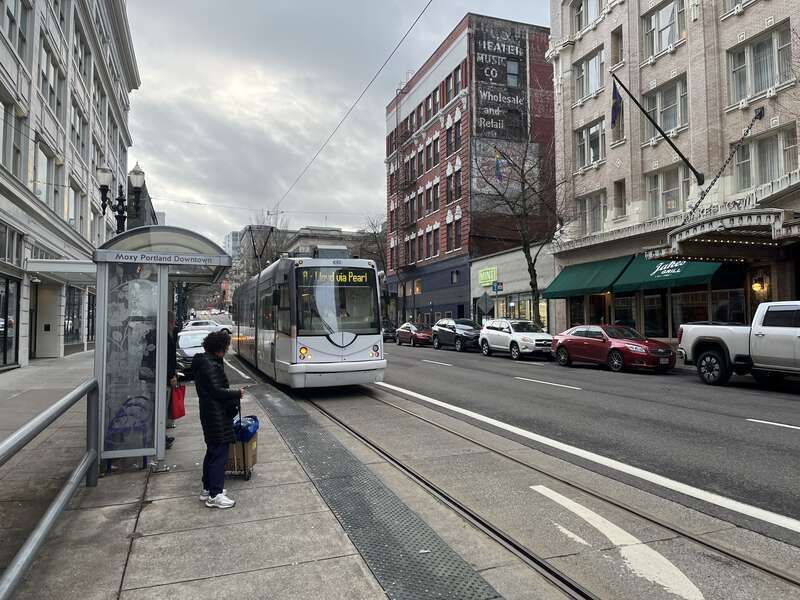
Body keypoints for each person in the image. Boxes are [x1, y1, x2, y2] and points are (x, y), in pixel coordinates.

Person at [193, 330, 243, 509]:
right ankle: (215, 494)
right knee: (219, 454)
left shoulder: (206, 361)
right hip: (216, 415)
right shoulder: (210, 365)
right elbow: (217, 391)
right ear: (219, 348)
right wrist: (237, 393)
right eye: (226, 346)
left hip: (210, 414)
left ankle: (208, 488)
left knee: (212, 451)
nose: (228, 349)